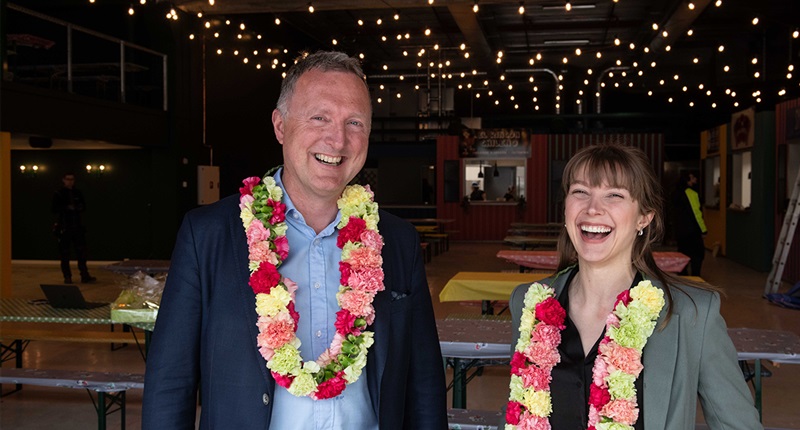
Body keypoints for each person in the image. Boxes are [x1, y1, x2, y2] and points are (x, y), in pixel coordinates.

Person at [142, 51, 447, 429]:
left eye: (354, 122)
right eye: (319, 117)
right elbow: (170, 383)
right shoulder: (208, 235)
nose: (337, 140)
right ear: (280, 125)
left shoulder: (397, 242)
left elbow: (424, 385)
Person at [505, 144, 761, 429]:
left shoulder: (692, 315)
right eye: (580, 191)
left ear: (644, 218)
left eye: (614, 195)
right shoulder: (529, 303)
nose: (592, 208)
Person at [51, 172, 95, 284]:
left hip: (77, 227)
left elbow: (83, 206)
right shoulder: (59, 193)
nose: (70, 181)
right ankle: (67, 276)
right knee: (65, 254)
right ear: (63, 180)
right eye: (68, 179)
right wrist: (66, 208)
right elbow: (54, 209)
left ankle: (84, 275)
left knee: (81, 253)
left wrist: (77, 207)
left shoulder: (77, 192)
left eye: (72, 179)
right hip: (64, 227)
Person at [673, 171, 708, 276]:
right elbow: (696, 213)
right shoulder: (691, 194)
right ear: (688, 179)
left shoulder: (675, 193)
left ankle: (682, 276)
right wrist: (703, 229)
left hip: (680, 230)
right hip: (692, 231)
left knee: (683, 254)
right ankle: (695, 277)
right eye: (693, 178)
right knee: (698, 255)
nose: (696, 180)